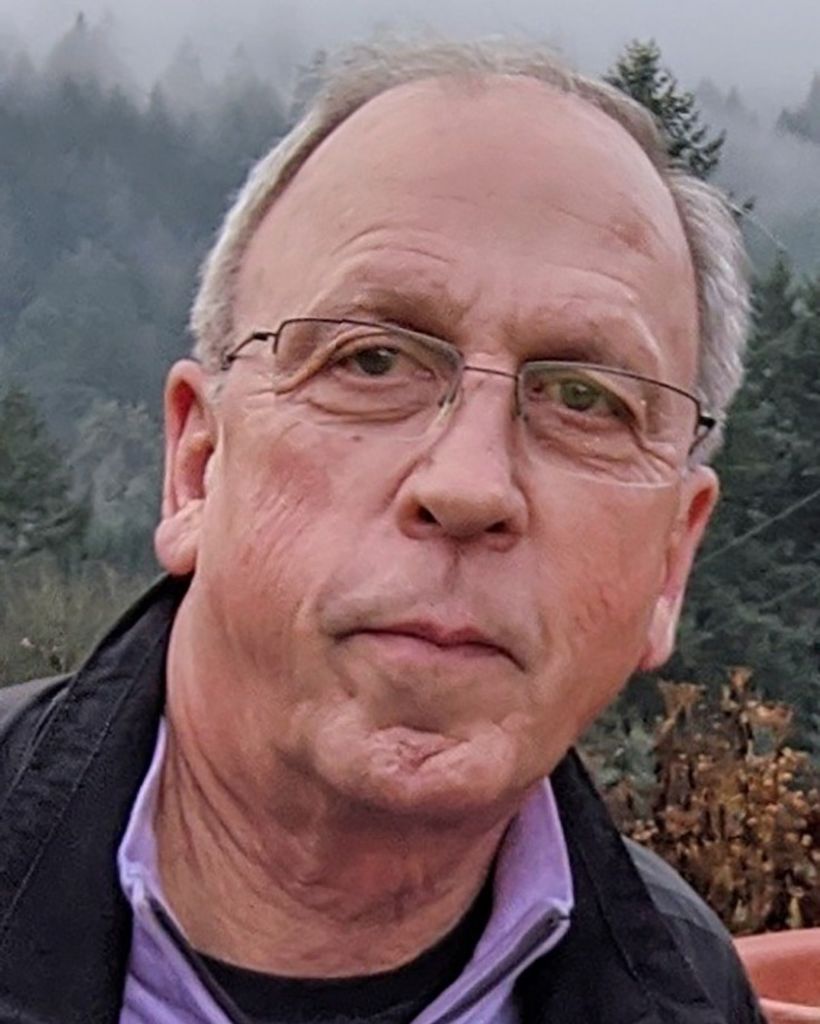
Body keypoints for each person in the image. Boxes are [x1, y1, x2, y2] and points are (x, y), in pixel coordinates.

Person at [0, 37, 764, 1024]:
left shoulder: (686, 988)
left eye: (584, 398)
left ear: (669, 561)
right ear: (196, 466)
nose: (469, 484)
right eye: (371, 362)